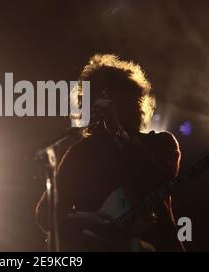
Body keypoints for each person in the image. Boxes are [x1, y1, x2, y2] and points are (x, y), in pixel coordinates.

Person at [35, 54, 184, 251]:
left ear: (131, 101)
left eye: (110, 97)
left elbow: (156, 180)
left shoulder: (160, 143)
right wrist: (90, 219)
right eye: (96, 97)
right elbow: (45, 214)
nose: (103, 105)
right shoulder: (80, 153)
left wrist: (118, 133)